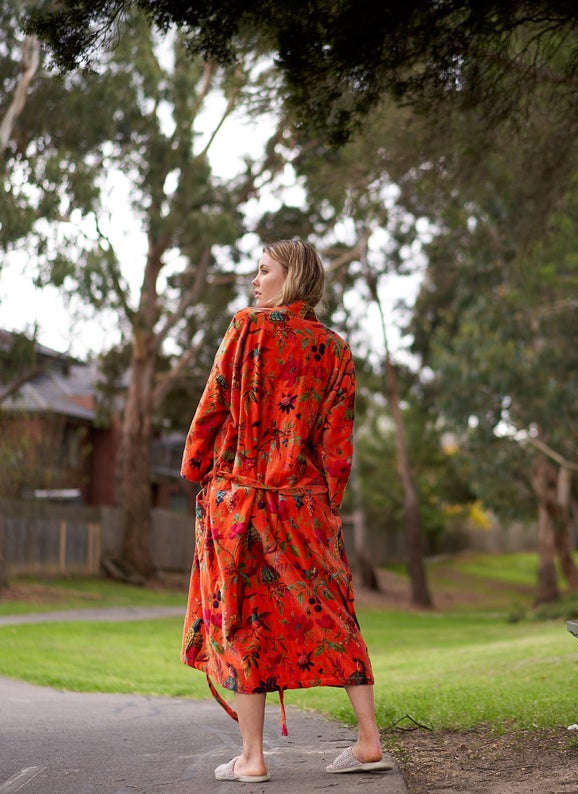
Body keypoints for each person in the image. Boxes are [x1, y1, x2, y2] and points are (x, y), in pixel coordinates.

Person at [180, 239, 393, 783]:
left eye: (263, 270)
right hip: (305, 506)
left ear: (291, 276)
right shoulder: (335, 349)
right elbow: (338, 442)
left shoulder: (246, 328)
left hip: (242, 500)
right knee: (333, 614)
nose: (255, 281)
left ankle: (252, 759)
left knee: (243, 622)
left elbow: (213, 404)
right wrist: (328, 503)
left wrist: (195, 468)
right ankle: (369, 740)